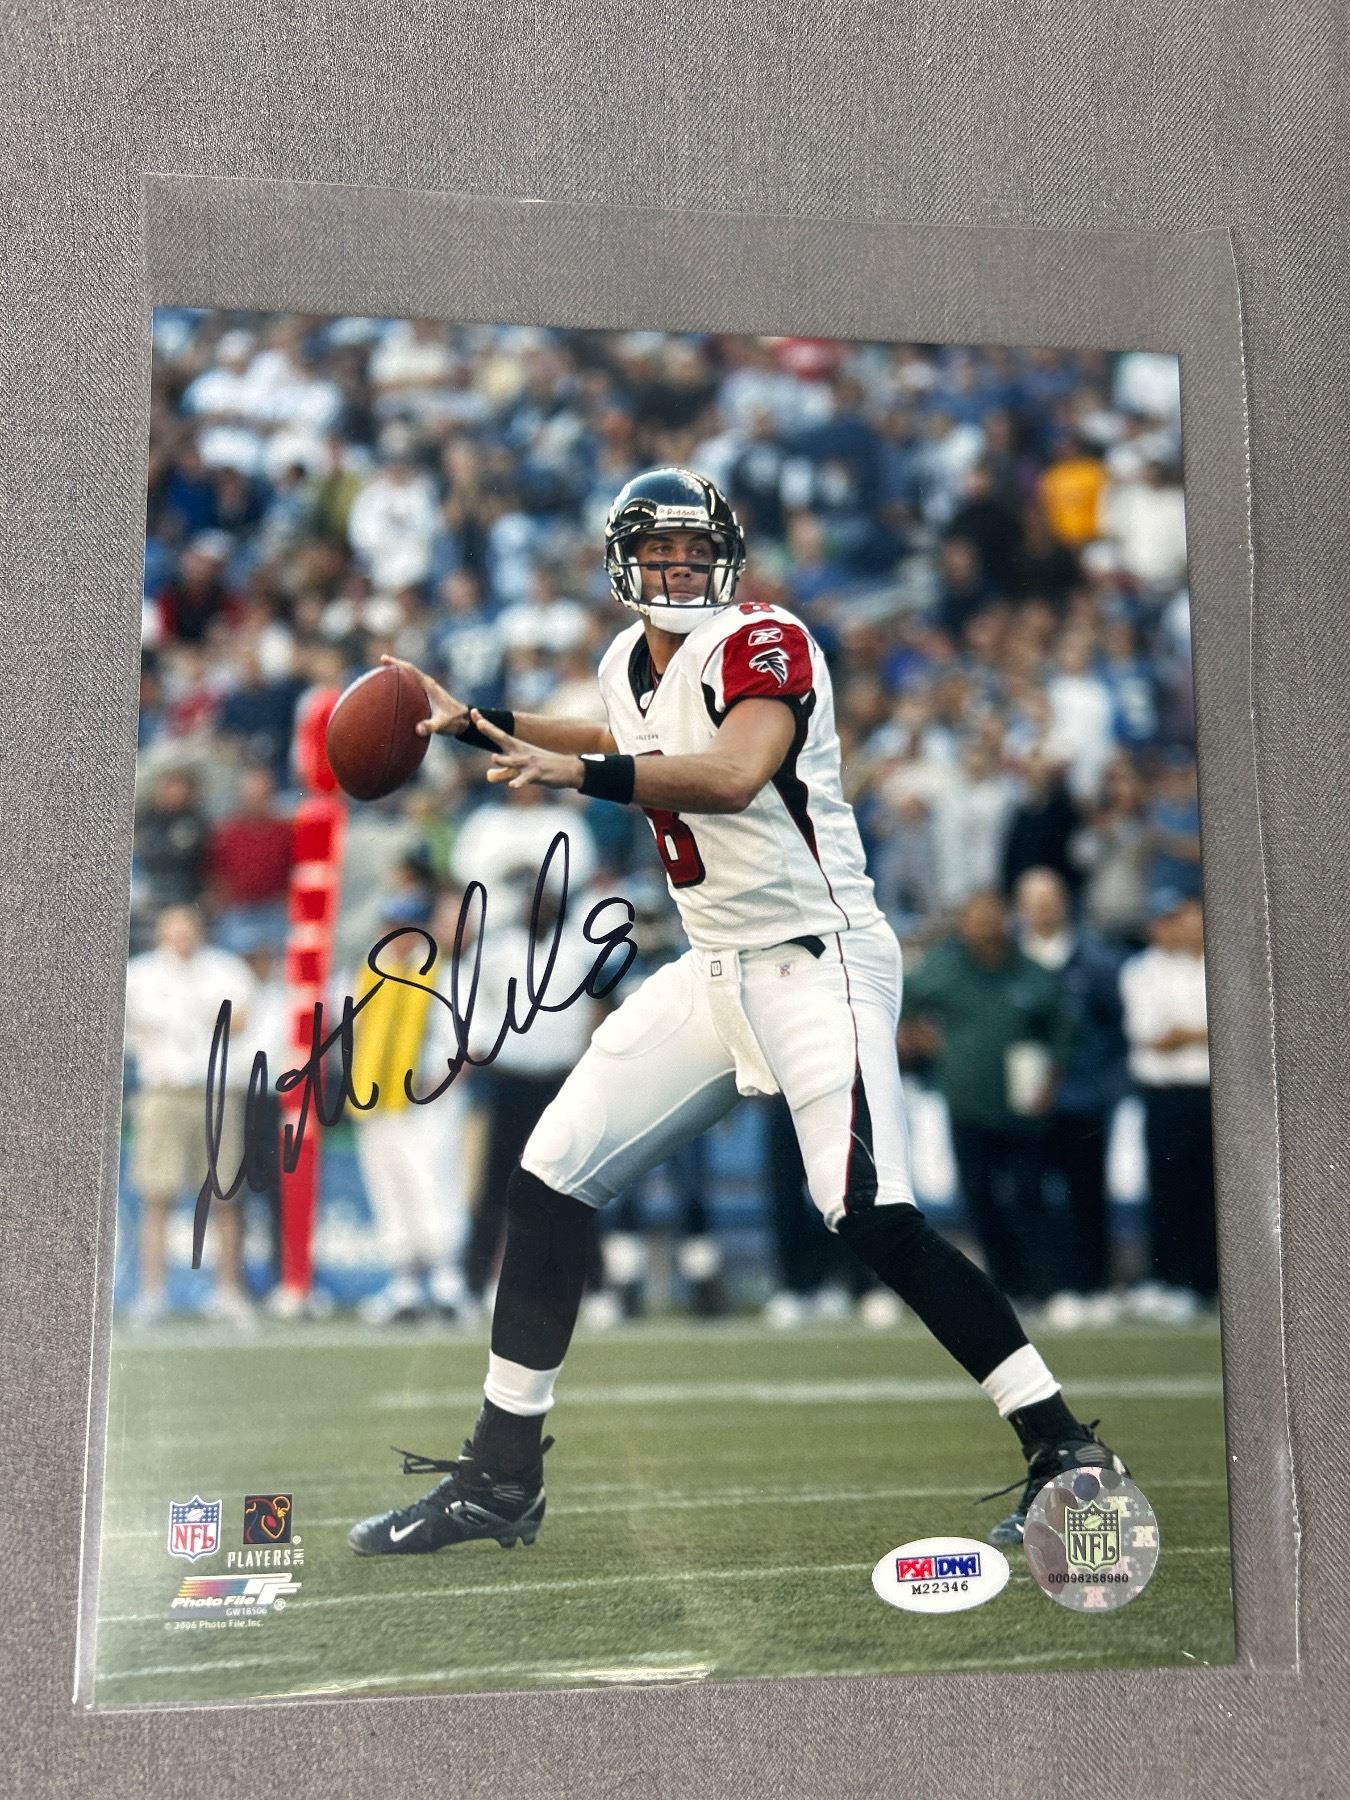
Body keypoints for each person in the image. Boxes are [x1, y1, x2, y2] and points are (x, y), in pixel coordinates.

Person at [346, 467, 1128, 1560]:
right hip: (714, 968)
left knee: (867, 1210)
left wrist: (578, 775)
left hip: (818, 961)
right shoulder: (627, 661)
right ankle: (502, 1475)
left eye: (693, 551)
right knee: (548, 1175)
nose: (678, 570)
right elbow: (614, 724)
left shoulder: (767, 640)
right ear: (622, 564)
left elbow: (730, 774)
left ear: (728, 559)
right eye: (657, 552)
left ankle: (1063, 1446)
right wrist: (474, 722)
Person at [900, 891, 1071, 1309]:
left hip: (1022, 1105)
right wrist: (917, 1035)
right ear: (963, 925)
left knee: (1029, 1195)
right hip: (967, 1102)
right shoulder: (946, 969)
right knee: (980, 1198)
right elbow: (903, 999)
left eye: (993, 917)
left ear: (1008, 920)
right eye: (977, 919)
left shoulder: (1031, 972)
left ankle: (1046, 1287)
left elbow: (1063, 1029)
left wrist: (1051, 1080)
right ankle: (1005, 1287)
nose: (986, 927)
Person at [122, 904, 257, 1325]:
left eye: (187, 929)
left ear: (200, 930)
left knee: (225, 1195)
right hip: (165, 1091)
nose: (181, 937)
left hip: (215, 1092)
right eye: (173, 930)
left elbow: (241, 1022)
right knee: (156, 1195)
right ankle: (153, 1293)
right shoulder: (140, 975)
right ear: (161, 933)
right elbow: (129, 1032)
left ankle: (228, 1290)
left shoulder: (225, 970)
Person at [1014, 867, 1128, 1326]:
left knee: (1087, 1193)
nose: (1043, 910)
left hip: (1082, 1096)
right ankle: (1043, 1287)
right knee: (1029, 1195)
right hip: (1025, 1103)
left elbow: (1118, 1025)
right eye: (1034, 901)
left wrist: (1104, 1081)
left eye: (1051, 899)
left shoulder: (1094, 960)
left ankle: (1093, 1285)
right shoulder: (1010, 959)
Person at [1119, 892, 1216, 1320]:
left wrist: (1187, 1033)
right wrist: (1205, 1031)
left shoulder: (1221, 966)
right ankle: (1174, 1281)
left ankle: (1211, 1282)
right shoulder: (1143, 971)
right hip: (1168, 1094)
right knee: (1171, 1189)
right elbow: (1154, 1035)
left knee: (1215, 1191)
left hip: (1215, 1094)